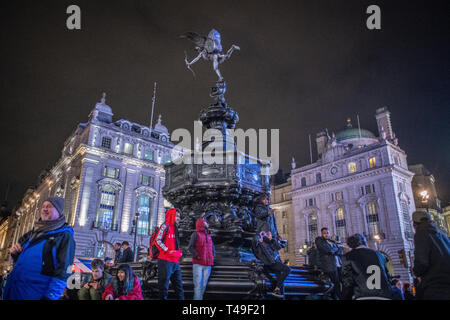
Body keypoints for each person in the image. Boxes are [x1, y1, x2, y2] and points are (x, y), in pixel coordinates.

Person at [3, 197, 75, 300]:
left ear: (58, 211)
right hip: (15, 291)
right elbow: (24, 261)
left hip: (35, 294)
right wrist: (16, 254)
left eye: (49, 206)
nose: (45, 209)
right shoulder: (33, 233)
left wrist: (50, 297)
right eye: (43, 206)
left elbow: (64, 270)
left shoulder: (64, 236)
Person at [341, 233, 395, 300]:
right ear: (364, 242)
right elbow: (388, 277)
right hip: (385, 295)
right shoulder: (380, 255)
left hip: (362, 295)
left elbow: (347, 282)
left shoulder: (348, 256)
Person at [412, 211, 450, 300]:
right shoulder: (442, 236)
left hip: (435, 287)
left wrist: (416, 271)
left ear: (415, 224)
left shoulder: (421, 233)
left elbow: (422, 262)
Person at [155, 208, 184, 300]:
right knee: (163, 288)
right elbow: (157, 240)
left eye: (179, 216)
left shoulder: (176, 228)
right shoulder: (165, 226)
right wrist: (167, 250)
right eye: (177, 216)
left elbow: (176, 243)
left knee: (179, 287)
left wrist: (179, 251)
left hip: (175, 261)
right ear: (171, 215)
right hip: (165, 260)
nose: (178, 218)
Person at [253, 231, 291, 299]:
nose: (266, 234)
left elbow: (278, 247)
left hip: (273, 262)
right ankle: (277, 290)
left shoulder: (269, 242)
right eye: (264, 234)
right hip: (269, 264)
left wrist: (271, 239)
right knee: (287, 269)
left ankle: (278, 292)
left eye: (267, 234)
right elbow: (258, 254)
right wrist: (259, 241)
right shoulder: (260, 244)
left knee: (279, 276)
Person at [188, 218, 215, 300]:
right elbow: (190, 247)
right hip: (198, 264)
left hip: (208, 264)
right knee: (198, 286)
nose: (207, 223)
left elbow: (212, 248)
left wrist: (213, 256)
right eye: (205, 222)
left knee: (203, 286)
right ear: (201, 224)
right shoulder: (195, 234)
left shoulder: (209, 235)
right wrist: (197, 255)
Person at [315, 227, 343, 300]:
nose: (326, 234)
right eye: (324, 233)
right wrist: (335, 250)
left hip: (338, 265)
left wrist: (335, 250)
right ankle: (336, 297)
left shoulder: (332, 242)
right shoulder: (319, 240)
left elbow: (340, 251)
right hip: (329, 266)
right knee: (335, 284)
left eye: (327, 233)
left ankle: (337, 297)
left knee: (340, 283)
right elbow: (326, 250)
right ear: (321, 233)